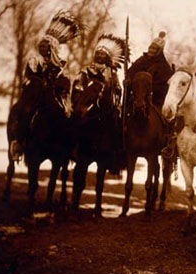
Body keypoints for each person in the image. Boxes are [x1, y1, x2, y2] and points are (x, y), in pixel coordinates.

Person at [9, 11, 83, 160]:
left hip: (53, 97)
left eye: (45, 46)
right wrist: (35, 83)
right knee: (24, 112)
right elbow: (28, 77)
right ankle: (19, 143)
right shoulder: (34, 62)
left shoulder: (60, 65)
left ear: (52, 48)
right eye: (40, 46)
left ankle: (67, 148)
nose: (42, 48)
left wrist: (56, 86)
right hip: (34, 96)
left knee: (67, 116)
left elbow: (65, 82)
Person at [72, 34, 127, 175]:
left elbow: (118, 90)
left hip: (106, 110)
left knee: (118, 126)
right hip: (86, 107)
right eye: (98, 53)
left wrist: (117, 91)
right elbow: (77, 86)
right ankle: (72, 149)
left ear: (107, 58)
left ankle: (114, 158)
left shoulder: (112, 74)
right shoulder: (86, 71)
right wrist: (81, 100)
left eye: (103, 54)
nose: (100, 56)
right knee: (74, 122)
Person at [125, 31, 173, 109]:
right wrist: (128, 81)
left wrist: (148, 89)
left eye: (154, 49)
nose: (151, 50)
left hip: (154, 100)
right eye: (150, 48)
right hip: (136, 97)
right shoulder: (141, 60)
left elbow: (164, 86)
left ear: (159, 51)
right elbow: (131, 73)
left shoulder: (164, 66)